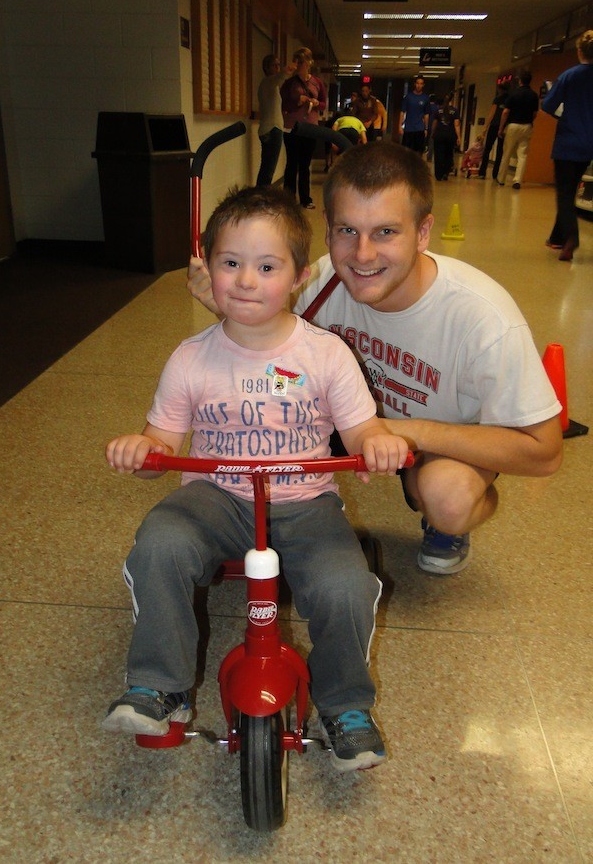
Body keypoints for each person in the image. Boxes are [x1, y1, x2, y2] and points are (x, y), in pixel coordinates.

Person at [103, 185, 409, 774]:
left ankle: (345, 707)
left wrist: (379, 445)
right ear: (206, 267)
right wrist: (142, 449)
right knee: (161, 541)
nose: (246, 280)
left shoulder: (326, 354)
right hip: (217, 494)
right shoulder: (190, 357)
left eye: (267, 267)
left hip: (305, 501)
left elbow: (363, 428)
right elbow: (162, 441)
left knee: (346, 586)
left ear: (300, 275)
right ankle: (157, 686)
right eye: (230, 263)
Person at [187, 144, 563, 577]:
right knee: (258, 408)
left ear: (423, 233)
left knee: (450, 498)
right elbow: (267, 358)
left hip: (435, 446)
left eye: (386, 232)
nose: (362, 255)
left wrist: (406, 432)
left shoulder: (484, 318)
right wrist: (224, 304)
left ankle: (447, 525)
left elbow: (545, 453)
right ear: (327, 229)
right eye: (348, 230)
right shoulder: (320, 280)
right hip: (341, 427)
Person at [541, 29, 593, 262]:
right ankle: (557, 237)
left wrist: (566, 116)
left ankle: (571, 237)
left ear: (580, 51)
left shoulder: (569, 76)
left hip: (568, 143)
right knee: (571, 190)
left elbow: (548, 105)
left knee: (564, 193)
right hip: (588, 145)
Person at [280, 48, 326, 209]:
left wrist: (314, 103)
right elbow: (284, 104)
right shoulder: (289, 84)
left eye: (301, 61)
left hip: (310, 128)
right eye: (296, 61)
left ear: (308, 63)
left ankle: (305, 198)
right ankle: (289, 199)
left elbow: (323, 104)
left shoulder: (317, 82)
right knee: (291, 163)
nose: (298, 65)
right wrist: (298, 102)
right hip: (292, 127)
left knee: (305, 164)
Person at [255, 53, 295, 187]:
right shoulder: (268, 82)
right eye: (274, 65)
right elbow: (279, 77)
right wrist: (286, 71)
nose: (277, 68)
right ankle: (260, 199)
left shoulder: (271, 85)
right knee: (268, 170)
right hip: (272, 130)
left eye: (279, 65)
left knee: (266, 168)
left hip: (271, 129)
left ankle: (260, 197)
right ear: (266, 68)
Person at [496, 70, 539, 189]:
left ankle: (501, 179)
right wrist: (530, 122)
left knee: (507, 152)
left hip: (513, 125)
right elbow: (535, 113)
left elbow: (505, 112)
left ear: (520, 81)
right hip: (527, 125)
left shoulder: (513, 94)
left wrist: (501, 128)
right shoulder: (534, 95)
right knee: (522, 155)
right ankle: (517, 180)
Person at [478, 79, 511, 180]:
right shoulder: (510, 99)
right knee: (500, 151)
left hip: (494, 126)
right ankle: (495, 174)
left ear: (500, 89)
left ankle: (482, 172)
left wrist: (485, 128)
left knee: (487, 149)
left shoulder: (497, 99)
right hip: (505, 127)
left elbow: (492, 114)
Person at [431, 94, 461, 181]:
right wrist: (459, 137)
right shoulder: (455, 111)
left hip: (439, 135)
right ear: (452, 100)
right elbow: (457, 125)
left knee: (438, 155)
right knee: (448, 154)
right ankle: (445, 172)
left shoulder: (438, 110)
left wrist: (432, 133)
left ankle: (438, 174)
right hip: (450, 136)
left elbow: (434, 124)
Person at [399, 76, 429, 154]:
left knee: (419, 151)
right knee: (406, 151)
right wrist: (400, 126)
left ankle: (417, 166)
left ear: (423, 85)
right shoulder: (408, 97)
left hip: (419, 128)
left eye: (421, 84)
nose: (419, 85)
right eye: (417, 83)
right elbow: (402, 112)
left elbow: (426, 114)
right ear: (415, 84)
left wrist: (426, 128)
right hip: (409, 128)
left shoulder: (425, 98)